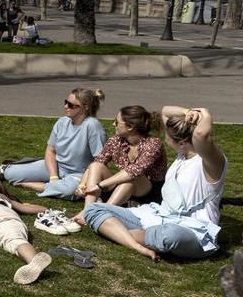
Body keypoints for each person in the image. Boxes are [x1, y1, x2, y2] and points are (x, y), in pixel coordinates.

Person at [82, 106, 226, 261]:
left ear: (183, 143)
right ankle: (135, 243)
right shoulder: (182, 155)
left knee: (170, 235)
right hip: (158, 216)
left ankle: (117, 232)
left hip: (193, 229)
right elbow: (165, 111)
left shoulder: (211, 163)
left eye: (168, 136)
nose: (165, 137)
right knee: (93, 209)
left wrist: (204, 112)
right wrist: (187, 112)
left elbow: (201, 134)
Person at [0, 88, 106, 197]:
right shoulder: (61, 122)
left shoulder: (93, 126)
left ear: (85, 107)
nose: (65, 107)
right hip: (56, 166)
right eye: (66, 102)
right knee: (9, 173)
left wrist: (83, 182)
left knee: (69, 190)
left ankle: (32, 185)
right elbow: (50, 150)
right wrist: (53, 177)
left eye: (71, 105)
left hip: (79, 174)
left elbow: (99, 161)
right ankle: (54, 185)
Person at [71, 105, 167, 223]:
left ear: (130, 126)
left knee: (132, 177)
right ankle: (87, 211)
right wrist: (82, 185)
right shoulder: (115, 140)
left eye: (116, 122)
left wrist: (99, 185)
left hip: (148, 192)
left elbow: (134, 171)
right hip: (123, 188)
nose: (113, 124)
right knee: (97, 166)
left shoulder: (153, 144)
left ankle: (100, 212)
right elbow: (97, 163)